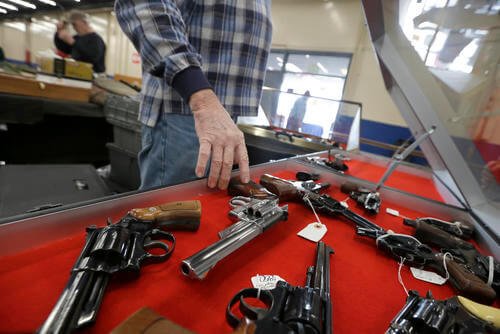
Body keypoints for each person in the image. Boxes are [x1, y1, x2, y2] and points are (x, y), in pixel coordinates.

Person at [115, 1, 272, 190]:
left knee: (203, 206)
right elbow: (146, 6)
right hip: (186, 104)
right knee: (172, 208)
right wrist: (200, 97)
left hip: (220, 110)